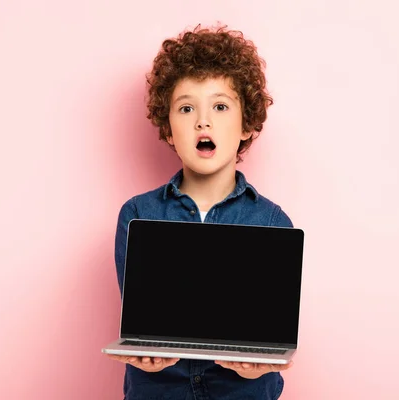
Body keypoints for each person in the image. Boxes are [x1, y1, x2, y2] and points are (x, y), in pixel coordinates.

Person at [107, 24, 295, 400]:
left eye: (220, 106)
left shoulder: (273, 223)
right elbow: (141, 324)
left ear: (248, 125)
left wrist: (264, 360)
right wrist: (144, 351)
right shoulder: (137, 215)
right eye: (187, 107)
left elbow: (276, 332)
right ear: (168, 129)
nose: (202, 121)